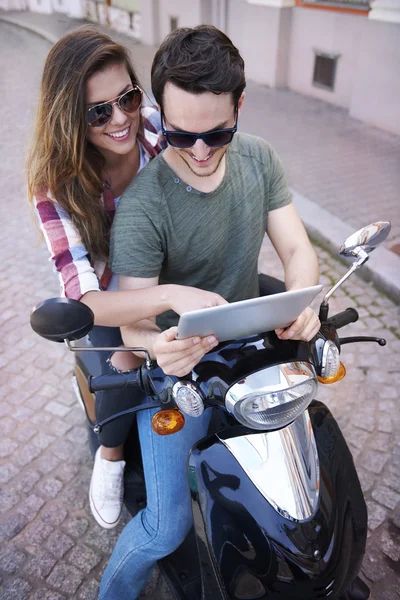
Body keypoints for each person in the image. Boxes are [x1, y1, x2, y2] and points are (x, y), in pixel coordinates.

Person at [99, 24, 320, 599]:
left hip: (249, 356)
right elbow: (132, 321)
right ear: (159, 113)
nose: (199, 151)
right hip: (176, 376)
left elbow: (297, 249)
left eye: (217, 133)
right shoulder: (144, 205)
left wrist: (306, 298)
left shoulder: (260, 159)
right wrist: (155, 345)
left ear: (240, 105)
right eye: (178, 134)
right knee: (165, 527)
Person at [27, 26, 226, 531]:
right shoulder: (54, 185)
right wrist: (169, 295)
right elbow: (85, 298)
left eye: (128, 98)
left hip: (165, 268)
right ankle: (111, 455)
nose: (122, 119)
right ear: (71, 119)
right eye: (99, 112)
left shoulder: (159, 128)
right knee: (121, 366)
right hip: (107, 294)